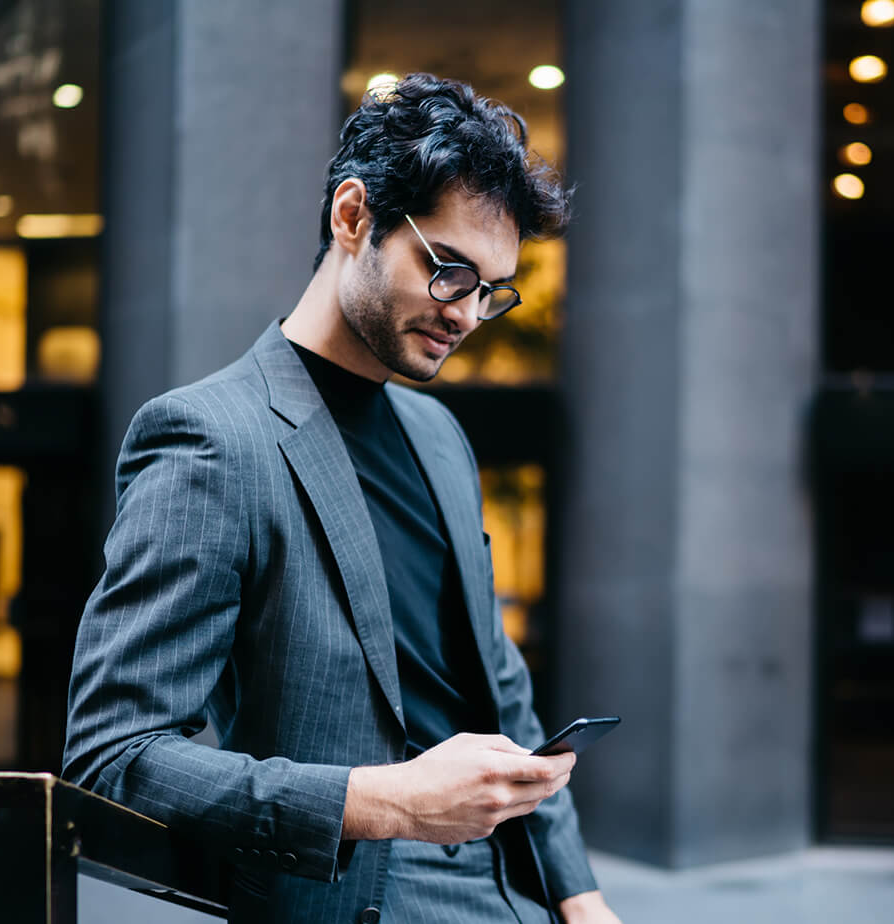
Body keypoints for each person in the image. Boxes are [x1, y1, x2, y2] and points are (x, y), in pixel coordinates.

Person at [63, 73, 621, 924]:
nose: (469, 314)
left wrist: (580, 898)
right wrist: (391, 803)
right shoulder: (211, 439)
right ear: (353, 217)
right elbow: (112, 755)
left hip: (520, 895)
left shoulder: (439, 437)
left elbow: (501, 694)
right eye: (448, 271)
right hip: (363, 898)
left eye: (492, 290)